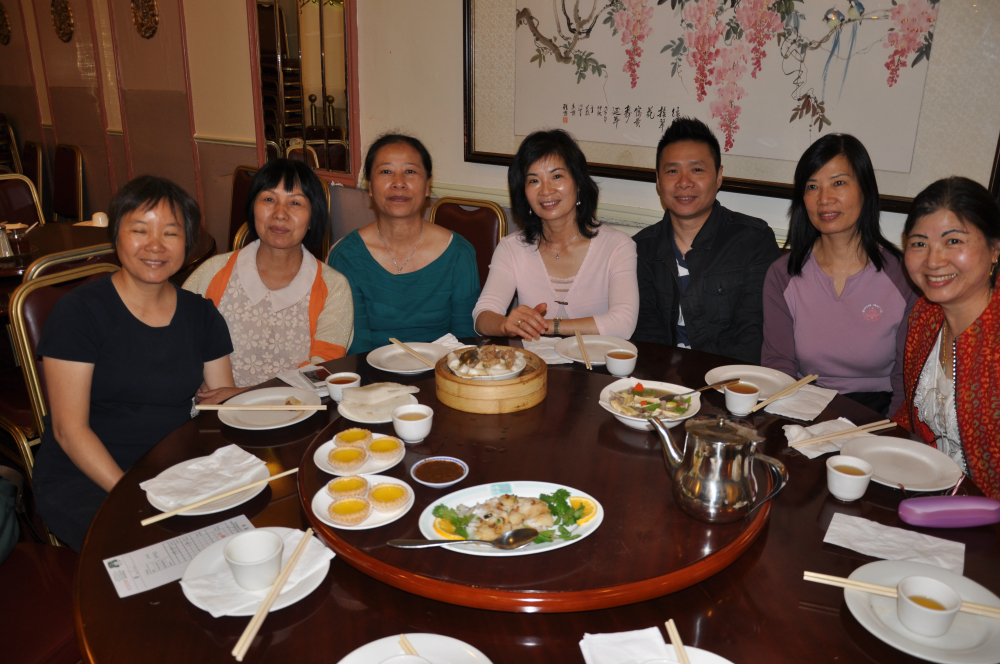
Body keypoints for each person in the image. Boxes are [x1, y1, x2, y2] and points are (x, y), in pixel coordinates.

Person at [32, 177, 240, 550]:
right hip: (90, 476)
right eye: (139, 230)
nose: (155, 245)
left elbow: (217, 408)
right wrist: (131, 493)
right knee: (157, 551)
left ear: (188, 242)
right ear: (116, 236)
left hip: (174, 468)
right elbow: (69, 430)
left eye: (171, 233)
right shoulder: (79, 313)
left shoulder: (201, 315)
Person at [762, 134, 917, 416]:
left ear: (865, 189)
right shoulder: (782, 275)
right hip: (804, 405)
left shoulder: (904, 276)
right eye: (812, 186)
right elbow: (779, 365)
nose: (824, 199)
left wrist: (893, 431)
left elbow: (906, 379)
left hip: (878, 410)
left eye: (839, 183)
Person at [184, 159, 353, 387]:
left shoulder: (333, 287)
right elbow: (178, 345)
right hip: (213, 405)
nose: (280, 214)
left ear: (313, 217)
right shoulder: (212, 273)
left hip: (298, 405)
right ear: (253, 208)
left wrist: (244, 396)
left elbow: (322, 372)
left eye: (295, 202)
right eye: (269, 199)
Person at [631, 117, 780, 363]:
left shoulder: (753, 240)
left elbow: (753, 336)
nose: (684, 182)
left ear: (719, 176)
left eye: (697, 170)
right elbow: (645, 337)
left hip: (730, 379)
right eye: (672, 171)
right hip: (659, 379)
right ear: (658, 180)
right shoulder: (640, 249)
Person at [473, 129, 638, 340]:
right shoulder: (511, 248)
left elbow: (623, 324)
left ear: (578, 183)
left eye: (557, 176)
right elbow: (482, 315)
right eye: (534, 181)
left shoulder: (617, 246)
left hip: (596, 362)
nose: (546, 190)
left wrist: (543, 326)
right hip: (534, 361)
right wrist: (505, 325)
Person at [892, 177, 1000, 499]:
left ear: (995, 248)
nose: (933, 261)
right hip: (925, 493)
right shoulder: (925, 316)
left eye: (953, 241)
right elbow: (911, 417)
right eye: (919, 243)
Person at [327, 134, 479, 353]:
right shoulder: (347, 256)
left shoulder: (458, 253)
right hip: (369, 372)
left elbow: (465, 342)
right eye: (385, 171)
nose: (398, 182)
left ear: (427, 186)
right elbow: (355, 347)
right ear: (370, 187)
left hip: (443, 370)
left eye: (410, 171)